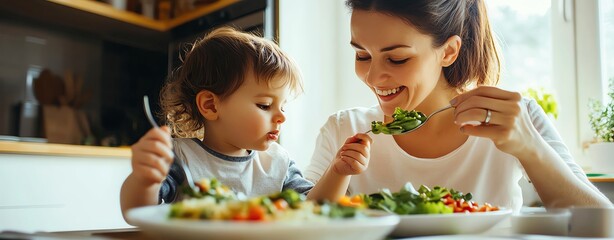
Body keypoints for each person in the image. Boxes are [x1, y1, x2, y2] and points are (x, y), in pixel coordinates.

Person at [306, 0, 611, 211]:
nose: (372, 77)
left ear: (449, 51)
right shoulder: (343, 130)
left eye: (397, 58)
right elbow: (293, 226)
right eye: (362, 56)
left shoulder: (514, 118)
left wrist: (529, 147)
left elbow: (602, 224)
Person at [120, 27, 314, 218]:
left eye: (283, 106)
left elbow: (314, 208)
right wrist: (145, 180)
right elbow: (136, 211)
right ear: (211, 105)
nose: (282, 117)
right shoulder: (181, 158)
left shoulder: (278, 162)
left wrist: (337, 172)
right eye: (264, 105)